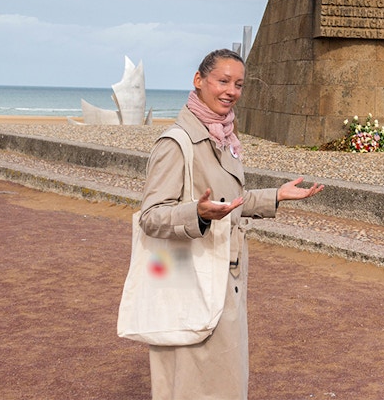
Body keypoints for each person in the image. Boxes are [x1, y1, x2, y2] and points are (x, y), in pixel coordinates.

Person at [139, 49, 324, 400]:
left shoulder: (223, 138)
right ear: (199, 81)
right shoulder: (178, 143)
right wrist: (197, 214)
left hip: (224, 273)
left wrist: (276, 196)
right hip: (191, 274)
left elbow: (227, 203)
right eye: (222, 81)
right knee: (193, 379)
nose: (231, 91)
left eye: (238, 84)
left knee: (219, 377)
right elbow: (151, 216)